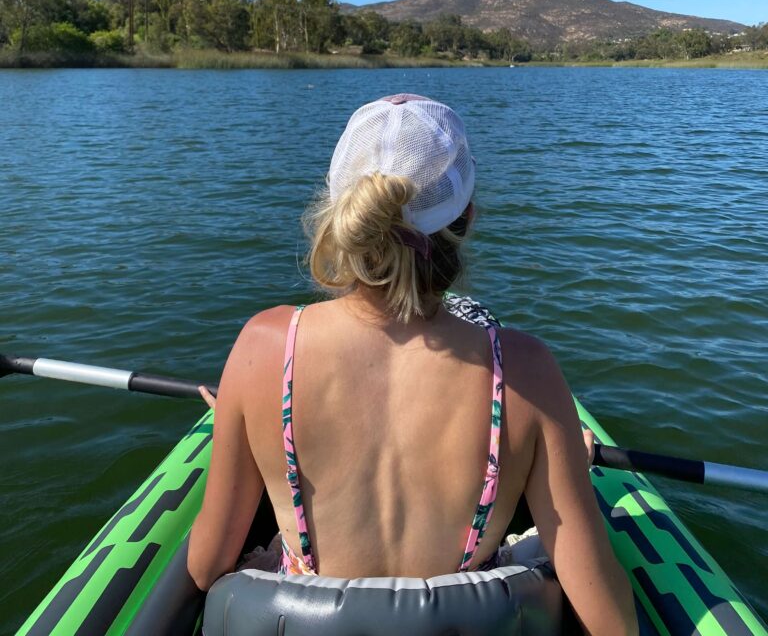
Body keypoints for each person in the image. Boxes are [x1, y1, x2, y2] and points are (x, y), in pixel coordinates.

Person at [188, 94, 638, 635]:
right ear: (466, 218)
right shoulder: (526, 372)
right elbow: (614, 625)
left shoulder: (264, 348)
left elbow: (205, 566)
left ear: (346, 211)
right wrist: (567, 464)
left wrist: (241, 427)